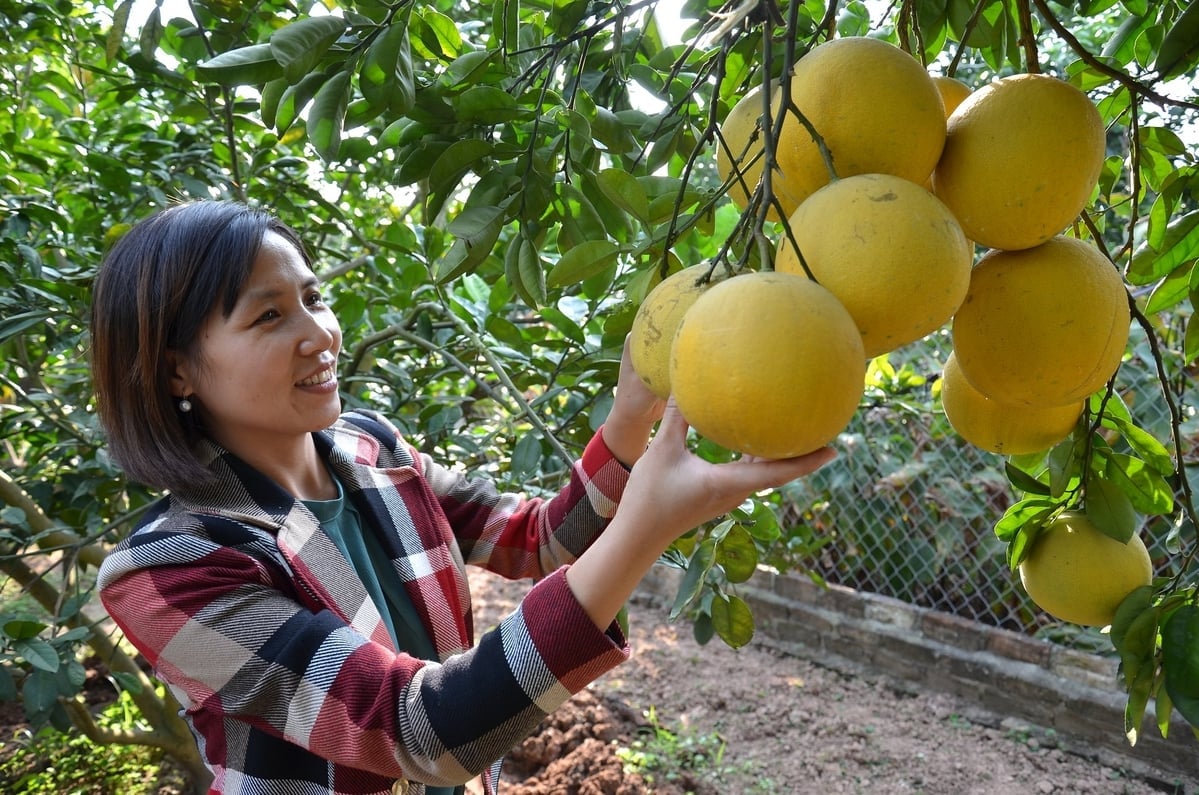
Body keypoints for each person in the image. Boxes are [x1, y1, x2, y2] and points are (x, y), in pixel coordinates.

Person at [91, 200, 835, 795]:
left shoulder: (369, 448)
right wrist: (646, 526)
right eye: (268, 315)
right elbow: (419, 733)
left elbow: (539, 537)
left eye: (314, 297)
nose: (320, 333)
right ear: (178, 371)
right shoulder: (172, 568)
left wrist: (631, 411)